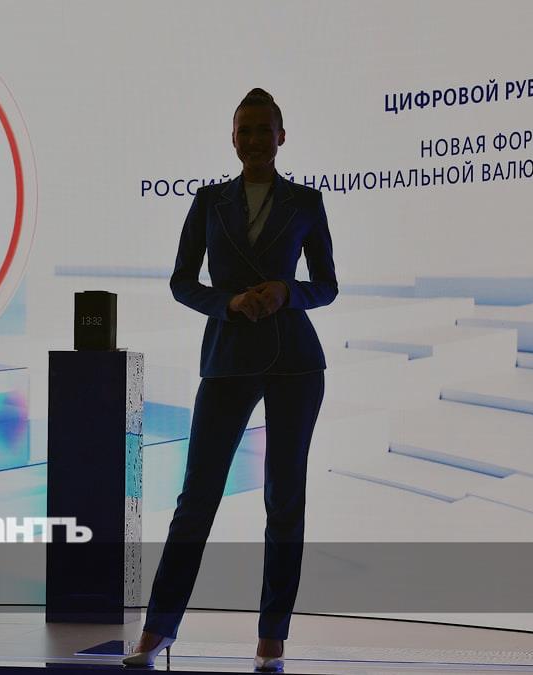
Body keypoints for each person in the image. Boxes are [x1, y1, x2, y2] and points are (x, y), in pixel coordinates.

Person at [122, 88, 337, 672]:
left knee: (284, 501)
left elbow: (327, 285)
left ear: (282, 137)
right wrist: (229, 303)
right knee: (196, 500)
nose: (255, 139)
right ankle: (159, 628)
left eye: (265, 129)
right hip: (227, 358)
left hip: (297, 363)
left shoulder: (307, 201)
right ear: (233, 138)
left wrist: (287, 291)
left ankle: (272, 638)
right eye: (246, 130)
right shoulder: (208, 201)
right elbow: (181, 282)